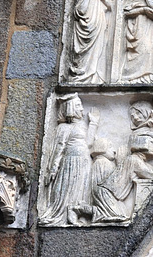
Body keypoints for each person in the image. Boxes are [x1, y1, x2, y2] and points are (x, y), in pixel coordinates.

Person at [41, 94, 99, 226]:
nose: (82, 109)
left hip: (84, 161)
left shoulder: (82, 126)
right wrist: (53, 169)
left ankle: (80, 213)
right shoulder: (63, 128)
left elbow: (89, 143)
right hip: (71, 162)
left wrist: (93, 123)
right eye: (78, 106)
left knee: (82, 188)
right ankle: (65, 213)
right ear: (70, 108)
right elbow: (59, 149)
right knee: (69, 188)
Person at [69, 0, 116, 84]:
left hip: (99, 32)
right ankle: (82, 75)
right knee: (83, 59)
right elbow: (80, 11)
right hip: (87, 32)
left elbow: (113, 7)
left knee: (97, 55)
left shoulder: (107, 0)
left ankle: (94, 77)